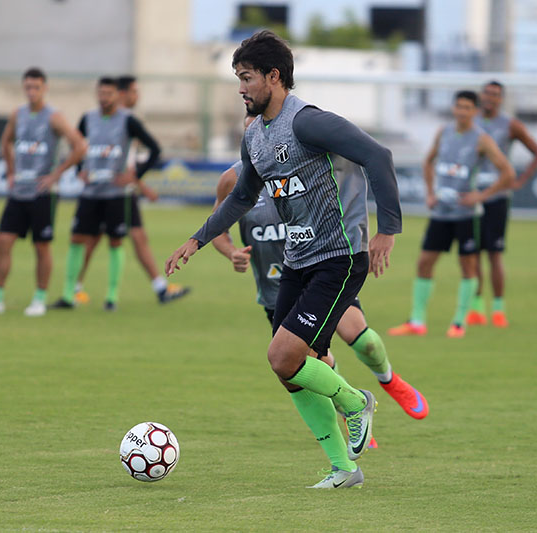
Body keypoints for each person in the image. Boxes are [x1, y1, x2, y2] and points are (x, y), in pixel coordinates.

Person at [166, 31, 403, 488]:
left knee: (283, 355)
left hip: (338, 258)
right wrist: (197, 240)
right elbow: (240, 197)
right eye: (238, 78)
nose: (241, 88)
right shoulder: (254, 134)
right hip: (298, 260)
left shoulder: (308, 123)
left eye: (247, 77)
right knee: (290, 372)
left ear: (275, 77)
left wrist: (387, 230)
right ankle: (344, 469)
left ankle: (356, 403)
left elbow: (379, 156)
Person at [213, 115, 428, 430]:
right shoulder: (233, 180)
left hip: (319, 271)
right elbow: (218, 224)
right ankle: (353, 413)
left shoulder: (300, 169)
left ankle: (389, 380)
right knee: (314, 362)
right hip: (277, 290)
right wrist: (231, 251)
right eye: (251, 127)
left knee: (362, 339)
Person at [388, 90, 514, 339]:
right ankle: (417, 321)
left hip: (466, 214)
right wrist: (430, 193)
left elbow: (507, 173)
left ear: (475, 111)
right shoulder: (443, 132)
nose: (462, 111)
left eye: (467, 107)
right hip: (441, 212)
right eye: (459, 106)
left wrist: (481, 196)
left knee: (468, 265)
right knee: (424, 262)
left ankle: (459, 322)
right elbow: (428, 162)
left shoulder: (481, 139)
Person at [0, 67, 86, 317]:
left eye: (36, 87)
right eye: (28, 87)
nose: (32, 92)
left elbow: (79, 146)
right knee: (3, 242)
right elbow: (5, 142)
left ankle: (39, 299)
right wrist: (10, 171)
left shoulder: (54, 117)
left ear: (45, 88)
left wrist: (56, 174)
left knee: (41, 246)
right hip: (18, 191)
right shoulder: (17, 115)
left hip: (43, 193)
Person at [72, 75, 190, 306]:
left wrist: (139, 184)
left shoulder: (127, 120)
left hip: (122, 190)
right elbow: (118, 163)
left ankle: (159, 287)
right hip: (110, 191)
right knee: (95, 239)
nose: (138, 96)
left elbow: (130, 163)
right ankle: (75, 288)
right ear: (123, 93)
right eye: (135, 92)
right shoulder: (109, 120)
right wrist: (142, 185)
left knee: (135, 237)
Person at [49, 77, 161, 311]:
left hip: (116, 194)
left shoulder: (128, 121)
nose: (104, 98)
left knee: (115, 241)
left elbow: (155, 149)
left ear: (116, 96)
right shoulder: (88, 118)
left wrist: (135, 175)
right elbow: (76, 145)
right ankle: (69, 295)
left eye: (108, 94)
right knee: (77, 239)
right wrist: (80, 169)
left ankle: (111, 297)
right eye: (100, 93)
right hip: (90, 192)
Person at [466, 80, 537, 328]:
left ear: (501, 99)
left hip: (497, 197)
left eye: (495, 95)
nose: (490, 98)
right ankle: (476, 308)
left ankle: (498, 309)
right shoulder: (470, 121)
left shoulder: (510, 125)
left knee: (494, 254)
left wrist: (520, 180)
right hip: (473, 195)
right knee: (472, 253)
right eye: (487, 93)